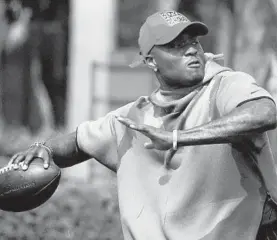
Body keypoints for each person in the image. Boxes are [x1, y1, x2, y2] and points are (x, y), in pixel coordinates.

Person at [8, 10, 277, 240]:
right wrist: (43, 148)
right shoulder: (131, 120)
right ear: (150, 61)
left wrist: (178, 137)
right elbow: (77, 143)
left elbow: (263, 113)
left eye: (194, 41)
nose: (192, 49)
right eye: (175, 45)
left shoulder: (225, 87)